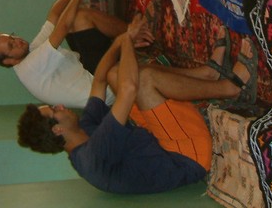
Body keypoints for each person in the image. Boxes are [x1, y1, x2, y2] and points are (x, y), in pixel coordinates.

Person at [17, 15, 258, 194]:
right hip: (186, 157)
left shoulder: (82, 132)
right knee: (142, 81)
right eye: (54, 110)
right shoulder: (93, 155)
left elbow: (99, 80)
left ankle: (208, 74)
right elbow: (130, 89)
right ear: (58, 129)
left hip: (157, 140)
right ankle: (231, 88)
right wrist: (128, 43)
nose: (59, 106)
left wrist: (119, 41)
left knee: (114, 75)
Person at [0, 0, 152, 108]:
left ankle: (134, 35)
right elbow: (62, 27)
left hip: (89, 70)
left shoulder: (30, 51)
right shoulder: (29, 68)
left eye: (12, 37)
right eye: (11, 46)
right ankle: (134, 34)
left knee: (76, 19)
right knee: (79, 17)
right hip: (103, 89)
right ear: (9, 61)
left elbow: (54, 15)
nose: (17, 41)